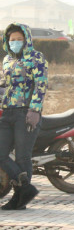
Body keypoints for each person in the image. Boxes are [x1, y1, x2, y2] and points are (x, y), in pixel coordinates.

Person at [0, 23, 47, 210]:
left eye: (19, 39)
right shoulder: (7, 60)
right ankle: (25, 188)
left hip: (25, 112)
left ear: (26, 39)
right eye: (12, 40)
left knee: (22, 157)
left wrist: (34, 110)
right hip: (7, 112)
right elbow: (6, 84)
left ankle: (20, 199)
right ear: (7, 41)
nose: (16, 42)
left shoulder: (36, 57)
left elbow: (41, 85)